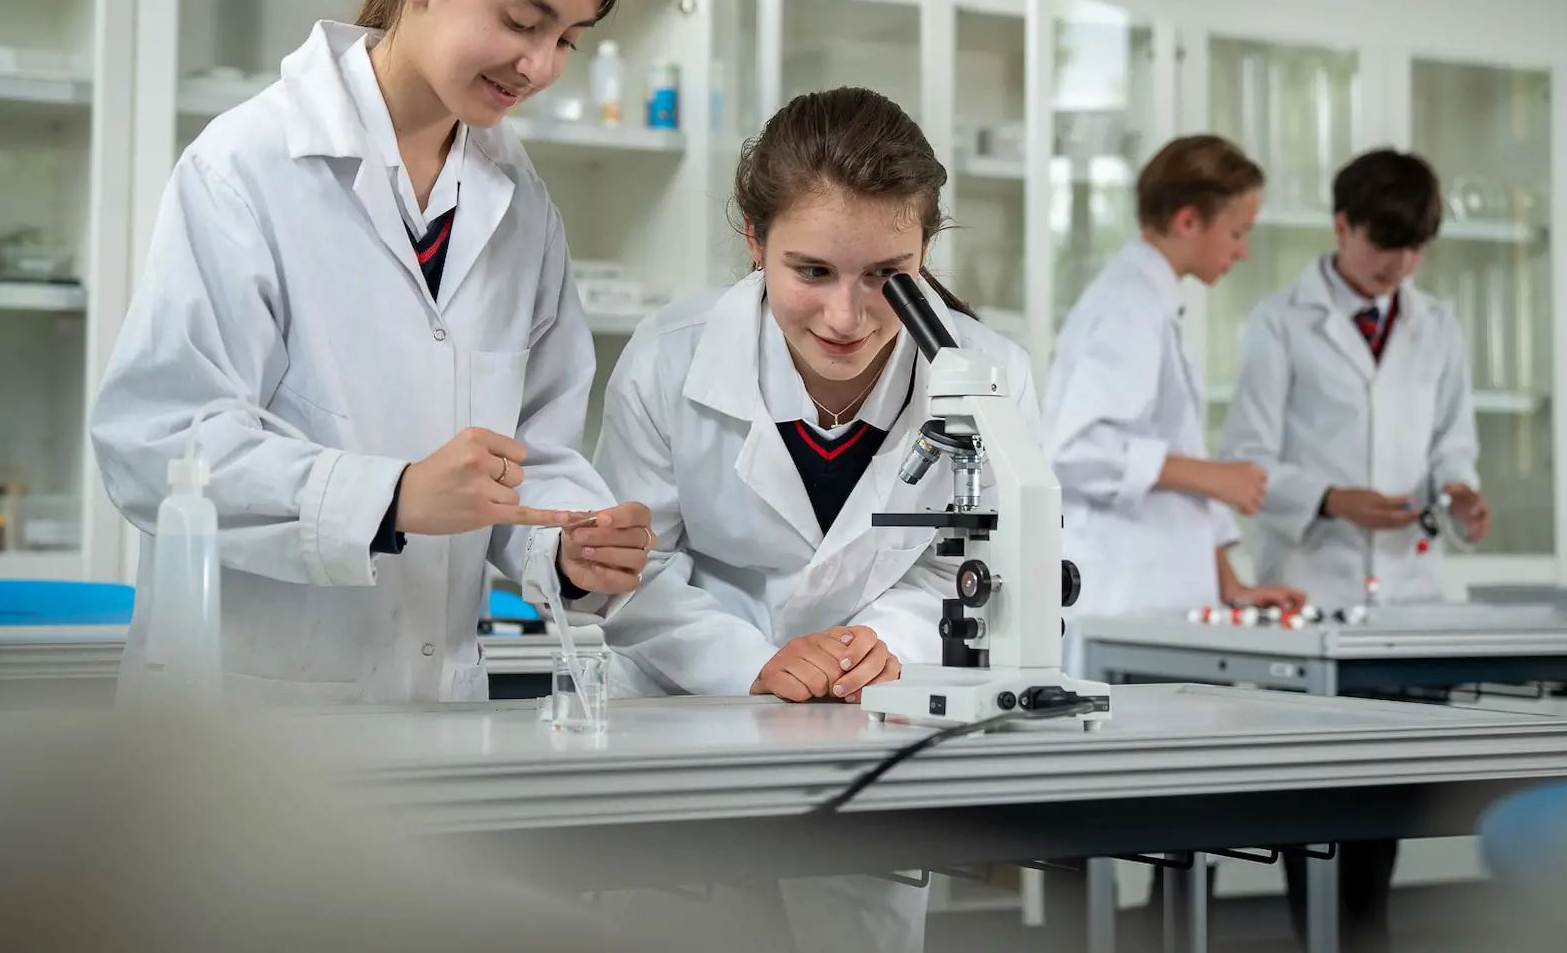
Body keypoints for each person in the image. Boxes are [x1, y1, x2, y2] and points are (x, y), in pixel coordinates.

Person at [90, 0, 653, 706]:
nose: (540, 66)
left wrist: (568, 546)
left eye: (569, 39)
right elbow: (159, 441)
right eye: (522, 20)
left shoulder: (521, 209)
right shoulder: (247, 166)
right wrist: (390, 497)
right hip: (247, 722)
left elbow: (532, 454)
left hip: (434, 709)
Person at [593, 86, 1039, 953]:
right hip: (688, 724)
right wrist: (757, 663)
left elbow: (975, 565)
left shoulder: (987, 375)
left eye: (887, 277)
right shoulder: (669, 358)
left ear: (927, 247)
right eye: (812, 272)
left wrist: (888, 640)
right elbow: (634, 571)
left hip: (867, 739)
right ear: (755, 243)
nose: (846, 316)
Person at [1219, 146, 1490, 953]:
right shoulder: (1279, 321)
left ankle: (1366, 936)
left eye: (1414, 250)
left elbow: (1453, 443)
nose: (1398, 265)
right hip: (1312, 585)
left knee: (1392, 798)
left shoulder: (1437, 325)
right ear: (1342, 225)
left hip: (1409, 592)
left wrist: (1462, 491)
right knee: (1318, 799)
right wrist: (1334, 500)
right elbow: (1248, 457)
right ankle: (1322, 940)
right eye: (1383, 244)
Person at [1045, 134, 1303, 651]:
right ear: (1188, 221)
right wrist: (1213, 477)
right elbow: (1076, 448)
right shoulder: (1129, 307)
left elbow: (1169, 451)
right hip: (1124, 601)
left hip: (1160, 600)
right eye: (1237, 232)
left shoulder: (1154, 304)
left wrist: (1231, 585)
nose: (1243, 251)